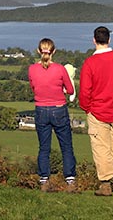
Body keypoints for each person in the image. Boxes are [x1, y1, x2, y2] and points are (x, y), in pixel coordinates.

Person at [79, 26, 113, 196]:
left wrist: (87, 108)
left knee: (101, 148)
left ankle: (105, 185)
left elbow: (85, 91)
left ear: (94, 40)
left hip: (97, 112)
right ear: (109, 39)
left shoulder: (90, 63)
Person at [28, 38, 77, 193]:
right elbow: (70, 90)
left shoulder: (32, 69)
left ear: (38, 51)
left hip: (41, 109)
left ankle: (44, 181)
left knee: (44, 148)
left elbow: (34, 88)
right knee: (66, 146)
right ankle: (70, 181)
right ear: (54, 51)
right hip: (58, 109)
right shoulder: (60, 69)